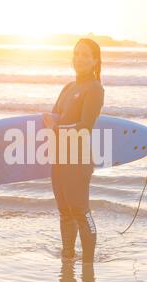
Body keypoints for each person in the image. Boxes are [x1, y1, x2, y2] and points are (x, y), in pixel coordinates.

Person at [43, 38, 105, 263]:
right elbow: (55, 118)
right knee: (64, 211)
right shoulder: (69, 87)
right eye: (76, 53)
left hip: (78, 158)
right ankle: (68, 257)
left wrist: (56, 127)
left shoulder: (95, 89)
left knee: (80, 210)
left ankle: (89, 263)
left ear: (95, 60)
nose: (79, 58)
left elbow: (86, 126)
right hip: (60, 156)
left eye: (85, 55)